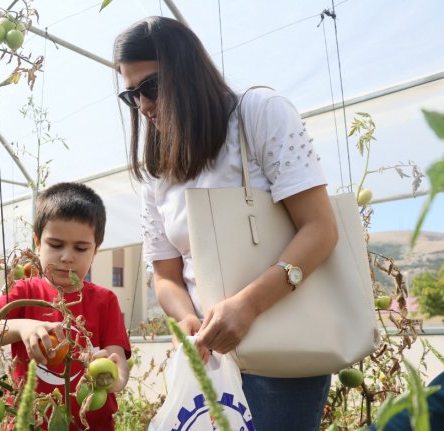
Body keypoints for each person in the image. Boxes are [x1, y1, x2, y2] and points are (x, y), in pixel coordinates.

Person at [114, 16, 338, 430]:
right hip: (212, 357)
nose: (143, 105)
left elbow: (320, 229)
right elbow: (165, 274)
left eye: (152, 87)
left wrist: (248, 305)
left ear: (188, 71)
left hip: (282, 356)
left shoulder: (258, 114)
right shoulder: (157, 170)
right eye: (132, 94)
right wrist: (187, 321)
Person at [0, 182, 131, 430]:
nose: (67, 257)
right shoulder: (24, 292)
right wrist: (23, 327)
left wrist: (112, 379)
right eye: (55, 245)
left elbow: (119, 364)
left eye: (81, 248)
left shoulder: (105, 300)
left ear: (95, 250)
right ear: (37, 243)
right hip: (28, 423)